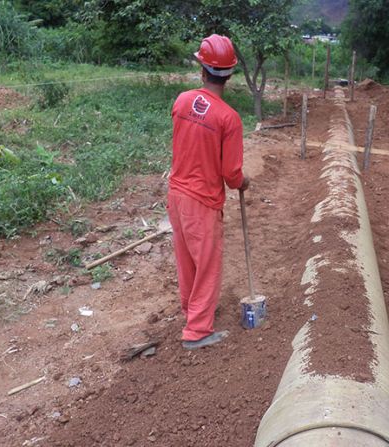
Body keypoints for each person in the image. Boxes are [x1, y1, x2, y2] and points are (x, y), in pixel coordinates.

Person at [167, 34, 249, 350]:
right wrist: (244, 182)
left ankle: (192, 310)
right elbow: (231, 175)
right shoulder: (229, 118)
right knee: (207, 264)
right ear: (229, 75)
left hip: (176, 195)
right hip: (202, 201)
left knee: (187, 259)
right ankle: (198, 330)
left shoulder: (181, 101)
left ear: (203, 70)